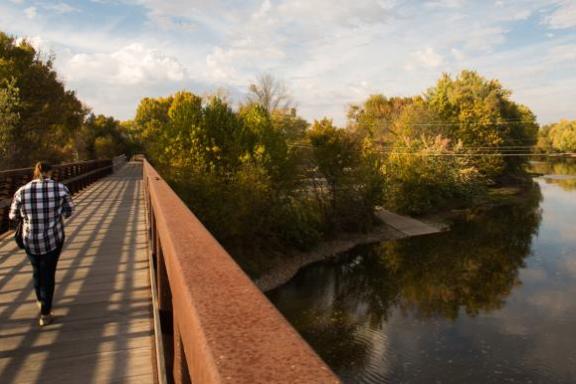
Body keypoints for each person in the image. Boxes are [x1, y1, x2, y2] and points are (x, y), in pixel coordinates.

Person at [9, 161, 74, 326]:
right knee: (49, 273)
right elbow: (69, 211)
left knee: (37, 270)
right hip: (53, 238)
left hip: (30, 239)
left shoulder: (22, 191)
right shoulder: (60, 188)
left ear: (36, 172)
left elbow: (12, 216)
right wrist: (56, 213)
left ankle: (40, 300)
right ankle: (45, 313)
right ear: (49, 172)